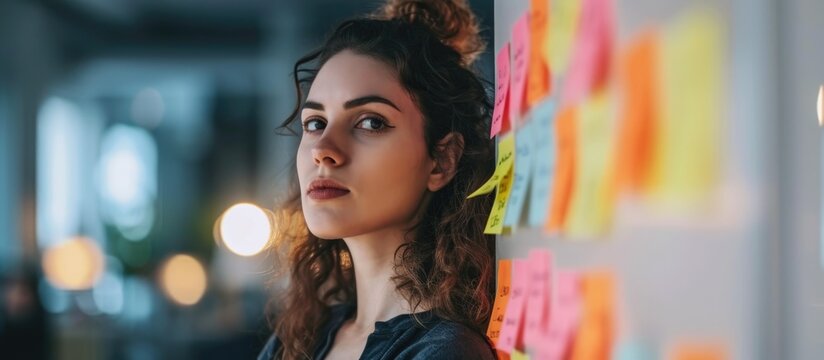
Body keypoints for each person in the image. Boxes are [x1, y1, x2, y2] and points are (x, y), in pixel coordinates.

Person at [259, 0, 497, 358]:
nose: (323, 149)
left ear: (442, 160)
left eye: (371, 122)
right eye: (315, 123)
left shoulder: (444, 351)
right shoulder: (296, 341)